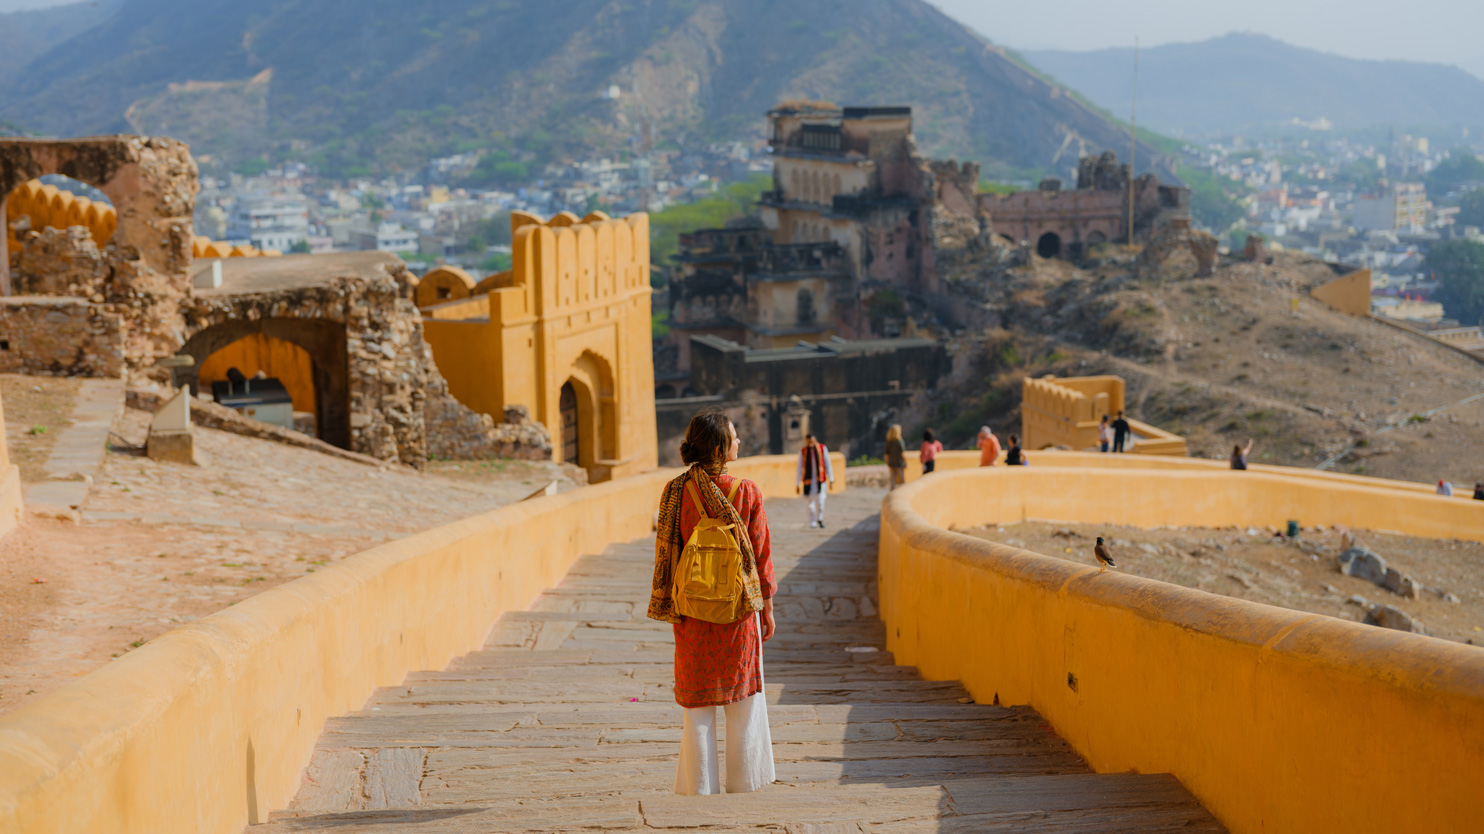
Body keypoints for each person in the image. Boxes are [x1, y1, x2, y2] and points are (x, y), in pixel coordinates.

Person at [649, 409, 776, 795]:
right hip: (738, 612)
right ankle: (745, 782)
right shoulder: (747, 492)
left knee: (697, 708)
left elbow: (667, 552)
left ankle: (698, 787)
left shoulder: (675, 491)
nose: (739, 442)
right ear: (720, 447)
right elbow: (761, 555)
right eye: (733, 437)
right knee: (744, 703)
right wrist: (768, 608)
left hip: (692, 612)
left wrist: (669, 604)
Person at [795, 433, 835, 528]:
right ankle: (812, 522)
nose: (810, 443)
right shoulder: (803, 451)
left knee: (820, 501)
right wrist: (797, 483)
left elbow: (828, 464)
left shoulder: (822, 449)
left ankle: (820, 518)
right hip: (808, 482)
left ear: (815, 440)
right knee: (810, 504)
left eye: (812, 441)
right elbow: (799, 468)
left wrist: (831, 479)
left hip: (820, 481)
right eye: (809, 442)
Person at [884, 424, 906, 490]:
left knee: (892, 479)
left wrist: (887, 462)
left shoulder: (888, 441)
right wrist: (905, 461)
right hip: (899, 462)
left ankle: (892, 491)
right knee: (902, 479)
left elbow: (886, 454)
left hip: (891, 462)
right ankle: (903, 491)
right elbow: (902, 453)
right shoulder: (899, 441)